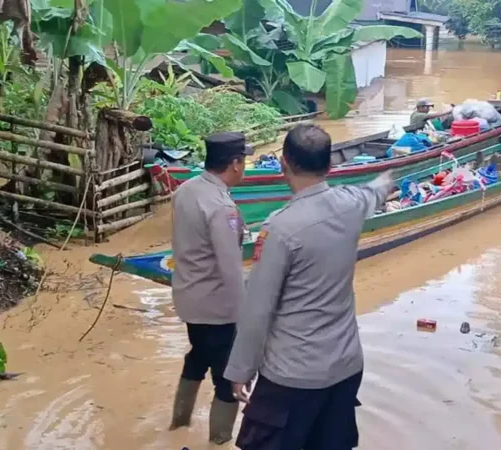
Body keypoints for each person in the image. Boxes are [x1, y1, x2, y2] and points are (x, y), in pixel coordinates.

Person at [223, 124, 395, 450]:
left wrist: (240, 370)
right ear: (329, 166)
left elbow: (258, 308)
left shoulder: (280, 227)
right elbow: (376, 191)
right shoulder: (352, 203)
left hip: (292, 376)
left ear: (284, 162)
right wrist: (387, 178)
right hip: (345, 366)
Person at [169, 131, 253, 444]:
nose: (244, 168)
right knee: (227, 377)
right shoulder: (222, 208)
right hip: (216, 308)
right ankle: (219, 440)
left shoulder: (185, 190)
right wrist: (247, 320)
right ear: (234, 164)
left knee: (198, 356)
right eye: (244, 162)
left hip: (189, 299)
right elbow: (231, 270)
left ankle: (178, 425)